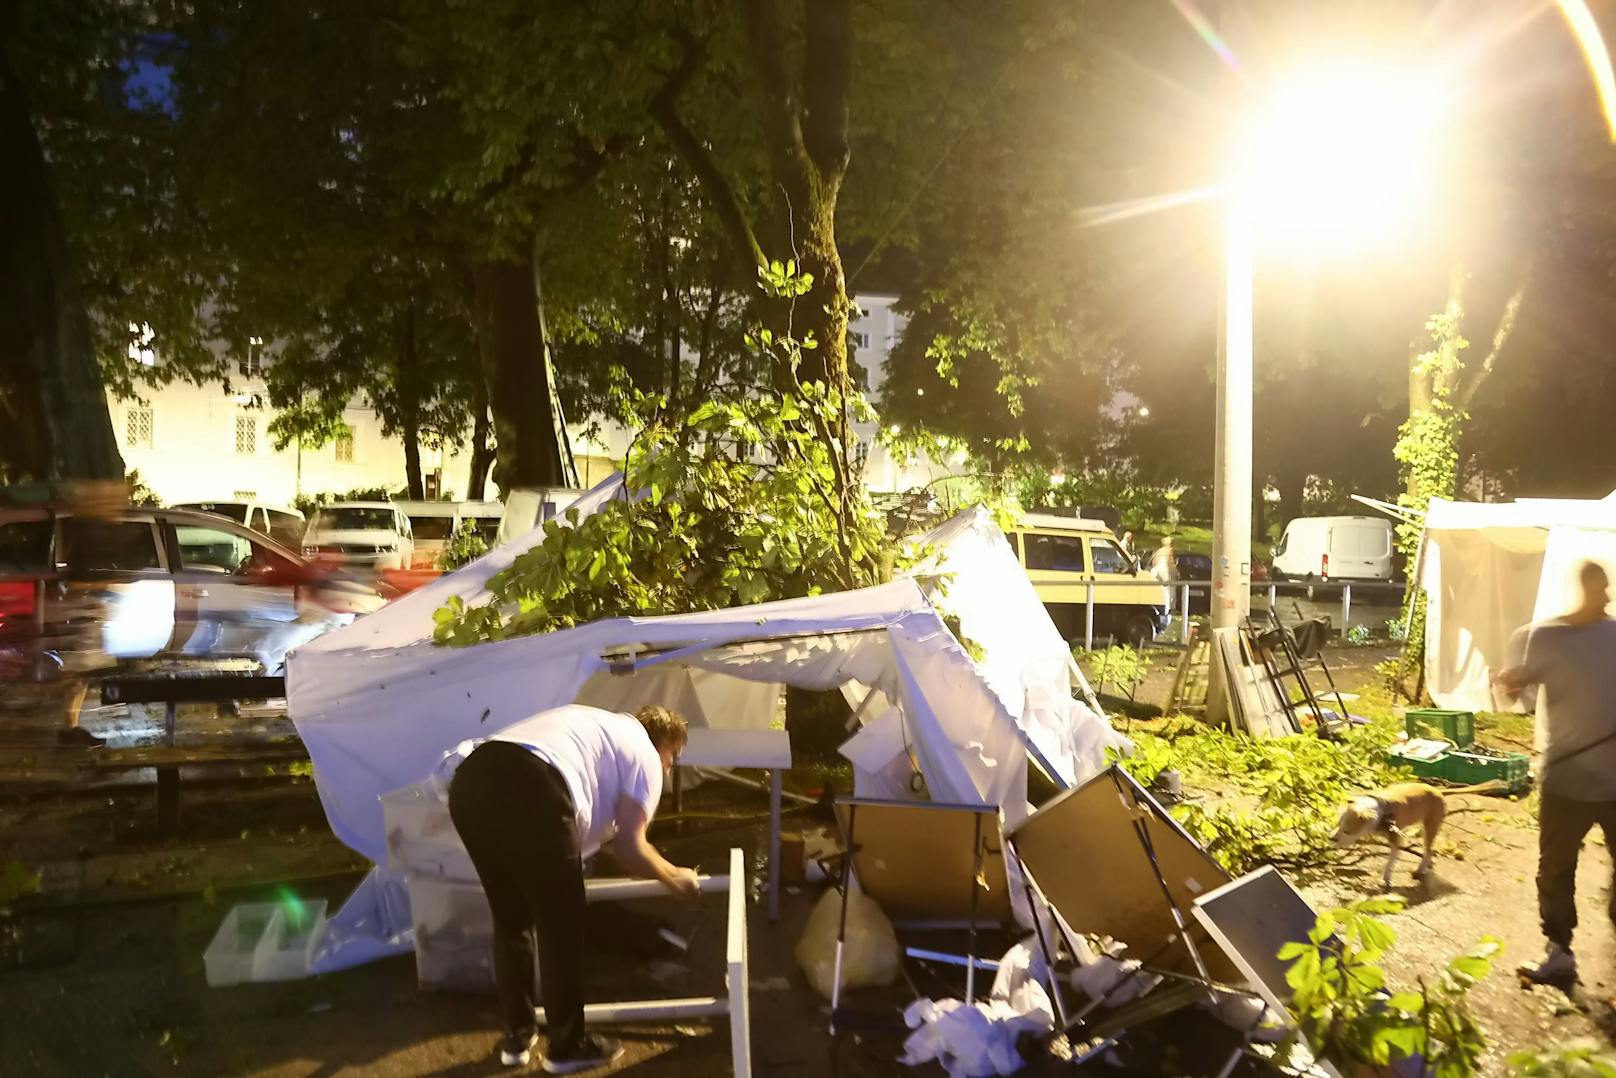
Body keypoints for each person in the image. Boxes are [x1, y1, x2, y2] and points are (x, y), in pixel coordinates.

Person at [443, 704, 699, 1071]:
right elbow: (630, 847)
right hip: (533, 786)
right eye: (673, 758)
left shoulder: (599, 728)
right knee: (561, 926)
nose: (669, 767)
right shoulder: (644, 753)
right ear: (665, 744)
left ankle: (517, 1036)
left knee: (511, 918)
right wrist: (676, 877)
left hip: (471, 781)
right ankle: (568, 1046)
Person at [1495, 560, 1616, 985]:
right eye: (1598, 587)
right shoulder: (1545, 636)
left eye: (1606, 588)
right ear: (1584, 587)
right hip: (1566, 778)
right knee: (1555, 869)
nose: (1605, 595)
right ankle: (1559, 950)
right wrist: (1511, 683)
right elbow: (1519, 692)